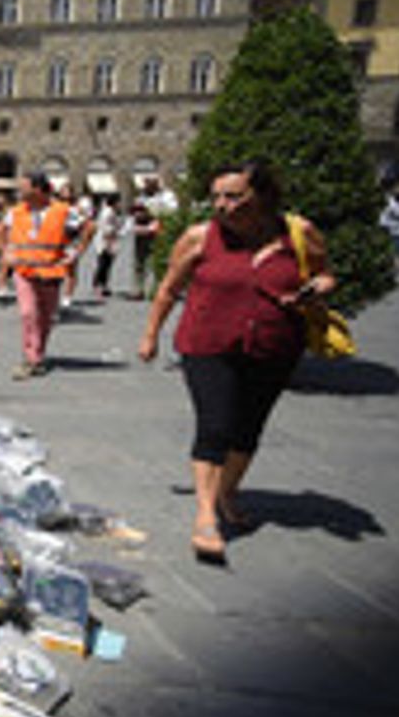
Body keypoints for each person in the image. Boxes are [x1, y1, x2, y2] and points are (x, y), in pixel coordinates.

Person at [137, 160, 335, 562]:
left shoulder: (298, 233)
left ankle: (226, 493)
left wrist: (318, 287)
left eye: (233, 196)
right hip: (207, 343)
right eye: (217, 198)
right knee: (215, 425)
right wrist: (151, 335)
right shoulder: (199, 238)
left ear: (260, 195)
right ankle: (206, 515)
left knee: (247, 429)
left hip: (274, 347)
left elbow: (325, 272)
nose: (222, 206)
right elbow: (169, 288)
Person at [3, 173, 86, 379]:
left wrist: (76, 252)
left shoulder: (63, 211)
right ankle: (32, 358)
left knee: (45, 318)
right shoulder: (16, 212)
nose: (19, 192)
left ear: (38, 189)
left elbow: (88, 227)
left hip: (51, 271)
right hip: (24, 271)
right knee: (28, 313)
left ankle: (38, 352)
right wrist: (7, 252)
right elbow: (4, 231)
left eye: (24, 188)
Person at [91, 194, 123, 298]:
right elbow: (105, 227)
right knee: (102, 264)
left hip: (110, 239)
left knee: (107, 264)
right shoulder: (107, 212)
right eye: (118, 202)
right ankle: (97, 285)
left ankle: (104, 285)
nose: (120, 204)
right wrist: (110, 239)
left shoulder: (113, 212)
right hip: (105, 240)